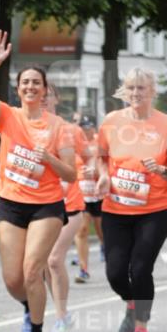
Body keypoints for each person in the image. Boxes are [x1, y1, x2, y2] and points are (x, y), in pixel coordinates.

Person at [0, 31, 76, 332]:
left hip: (46, 205)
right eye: (25, 83)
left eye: (36, 83)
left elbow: (71, 175)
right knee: (13, 279)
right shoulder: (8, 116)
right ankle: (32, 306)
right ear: (18, 90)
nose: (30, 87)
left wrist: (49, 159)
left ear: (45, 91)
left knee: (33, 269)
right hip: (11, 204)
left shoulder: (60, 127)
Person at [96, 69, 167, 332]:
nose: (136, 94)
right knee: (116, 273)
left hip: (153, 210)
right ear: (124, 90)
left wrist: (162, 170)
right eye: (131, 88)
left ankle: (141, 331)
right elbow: (101, 157)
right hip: (116, 209)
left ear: (152, 91)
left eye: (141, 88)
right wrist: (103, 176)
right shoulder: (111, 122)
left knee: (142, 268)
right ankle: (132, 304)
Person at [44, 86, 90, 332]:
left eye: (48, 94)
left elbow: (90, 157)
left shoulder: (71, 130)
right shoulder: (29, 130)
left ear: (56, 98)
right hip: (42, 205)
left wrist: (94, 173)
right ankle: (60, 312)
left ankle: (61, 317)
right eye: (39, 94)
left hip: (71, 204)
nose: (43, 99)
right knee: (41, 265)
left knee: (53, 259)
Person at [74, 116, 105, 282]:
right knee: (82, 230)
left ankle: (104, 246)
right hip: (81, 195)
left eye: (88, 127)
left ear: (94, 129)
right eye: (82, 128)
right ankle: (83, 269)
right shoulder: (73, 146)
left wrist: (96, 173)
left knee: (102, 232)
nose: (85, 131)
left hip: (99, 194)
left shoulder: (100, 145)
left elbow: (108, 170)